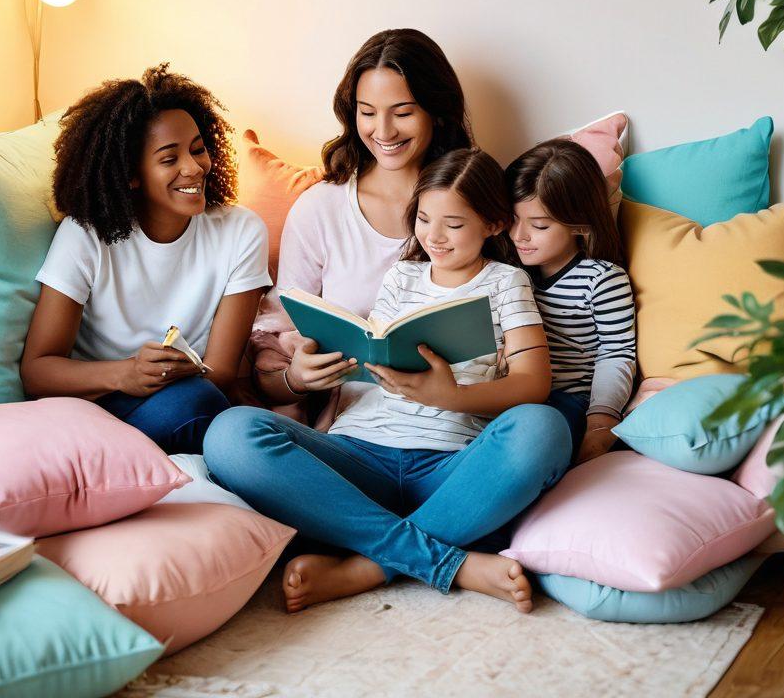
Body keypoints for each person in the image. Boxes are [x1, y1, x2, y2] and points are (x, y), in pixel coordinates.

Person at [205, 148, 572, 614]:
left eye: (454, 224)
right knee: (230, 433)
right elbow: (377, 347)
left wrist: (453, 396)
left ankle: (365, 568)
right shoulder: (402, 274)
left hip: (451, 471)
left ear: (494, 224)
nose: (434, 236)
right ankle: (447, 561)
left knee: (545, 427)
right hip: (359, 455)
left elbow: (533, 383)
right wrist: (331, 363)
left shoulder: (506, 283)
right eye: (423, 218)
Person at [20, 64, 272, 454]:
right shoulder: (86, 233)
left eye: (198, 149)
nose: (193, 168)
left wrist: (180, 370)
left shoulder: (241, 232)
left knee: (209, 406)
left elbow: (220, 370)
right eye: (169, 159)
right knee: (210, 413)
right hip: (98, 401)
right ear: (132, 174)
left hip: (189, 398)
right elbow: (38, 370)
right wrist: (126, 374)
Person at [249, 28, 474, 421]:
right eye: (367, 112)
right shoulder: (321, 209)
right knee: (233, 433)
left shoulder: (475, 201)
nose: (383, 132)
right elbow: (269, 366)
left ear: (436, 112)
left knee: (541, 427)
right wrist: (297, 377)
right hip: (355, 429)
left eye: (403, 113)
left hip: (458, 423)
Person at [505, 138, 636, 464]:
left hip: (567, 401)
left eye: (539, 225)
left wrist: (601, 421)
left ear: (579, 223)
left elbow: (617, 353)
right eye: (512, 219)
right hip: (507, 394)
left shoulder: (602, 279)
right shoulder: (506, 274)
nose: (519, 235)